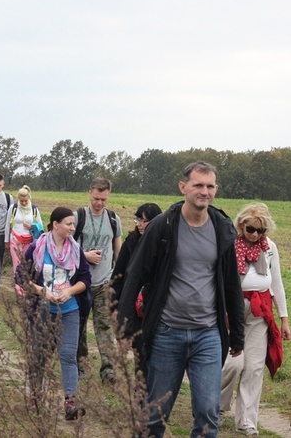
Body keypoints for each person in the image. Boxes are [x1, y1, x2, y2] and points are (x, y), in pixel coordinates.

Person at [118, 161, 245, 438]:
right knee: (155, 415)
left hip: (208, 334)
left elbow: (232, 285)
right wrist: (125, 327)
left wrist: (237, 334)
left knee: (209, 412)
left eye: (210, 186)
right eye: (198, 185)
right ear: (183, 187)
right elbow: (134, 275)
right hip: (166, 333)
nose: (204, 191)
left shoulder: (222, 228)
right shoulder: (163, 226)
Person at [220, 203, 290, 435]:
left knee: (254, 367)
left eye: (260, 230)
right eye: (251, 229)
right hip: (234, 308)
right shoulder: (230, 245)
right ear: (241, 225)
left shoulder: (268, 247)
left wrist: (284, 318)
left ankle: (247, 421)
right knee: (233, 363)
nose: (255, 234)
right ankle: (216, 408)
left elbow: (277, 283)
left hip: (261, 309)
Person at [16, 207, 91, 420]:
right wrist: (42, 291)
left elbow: (86, 280)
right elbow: (20, 276)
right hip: (41, 310)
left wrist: (70, 291)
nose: (72, 227)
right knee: (40, 355)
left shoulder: (76, 250)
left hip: (69, 311)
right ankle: (35, 396)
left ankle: (70, 402)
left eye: (73, 224)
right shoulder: (37, 248)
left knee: (68, 355)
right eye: (68, 223)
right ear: (55, 224)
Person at [73, 177, 122, 384]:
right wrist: (85, 255)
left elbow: (117, 247)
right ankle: (82, 367)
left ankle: (108, 370)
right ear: (89, 194)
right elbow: (66, 248)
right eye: (96, 198)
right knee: (80, 326)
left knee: (104, 326)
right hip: (81, 283)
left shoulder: (113, 219)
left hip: (104, 282)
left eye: (103, 199)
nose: (99, 203)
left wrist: (119, 276)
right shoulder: (78, 217)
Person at [109, 202, 162, 379]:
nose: (139, 224)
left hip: (155, 307)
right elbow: (118, 277)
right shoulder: (131, 242)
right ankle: (141, 399)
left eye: (144, 220)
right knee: (140, 353)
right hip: (134, 307)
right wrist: (115, 307)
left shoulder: (164, 245)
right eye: (138, 219)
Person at [7, 186, 44, 296]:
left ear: (29, 198)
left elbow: (40, 225)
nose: (23, 203)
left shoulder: (34, 209)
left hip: (29, 242)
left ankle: (26, 289)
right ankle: (19, 293)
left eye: (25, 201)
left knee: (26, 266)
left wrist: (32, 226)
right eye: (21, 201)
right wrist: (6, 241)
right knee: (17, 265)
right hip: (15, 239)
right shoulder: (13, 208)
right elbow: (7, 225)